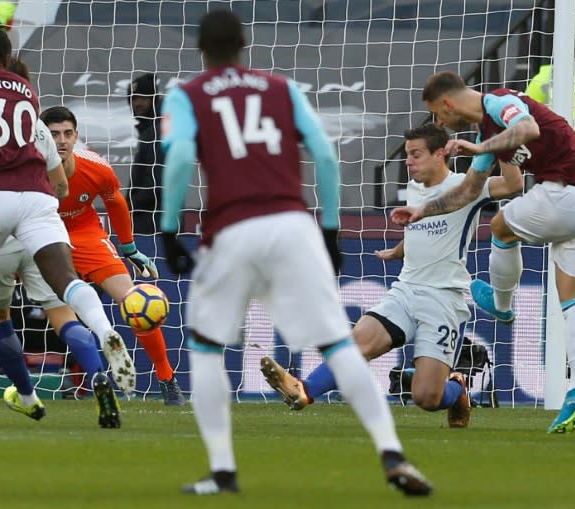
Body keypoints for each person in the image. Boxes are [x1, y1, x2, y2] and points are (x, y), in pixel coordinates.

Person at [160, 9, 431, 496]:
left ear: (200, 47)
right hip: (292, 225)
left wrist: (167, 227)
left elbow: (179, 156)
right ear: (245, 44)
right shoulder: (281, 88)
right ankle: (392, 453)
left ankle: (222, 470)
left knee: (204, 346)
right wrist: (329, 229)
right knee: (337, 344)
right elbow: (325, 154)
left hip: (232, 229)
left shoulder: (188, 95)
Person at [390, 70, 575, 434]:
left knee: (500, 226)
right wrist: (423, 210)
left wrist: (481, 148)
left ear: (447, 103)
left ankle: (501, 304)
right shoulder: (486, 134)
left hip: (569, 192)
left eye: (438, 114)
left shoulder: (500, 102)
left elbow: (527, 130)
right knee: (573, 296)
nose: (440, 123)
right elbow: (468, 191)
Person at [260, 123, 523, 428]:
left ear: (440, 154)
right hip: (406, 289)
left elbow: (513, 184)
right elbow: (425, 229)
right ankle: (304, 389)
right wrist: (400, 249)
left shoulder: (468, 186)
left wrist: (502, 142)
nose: (408, 161)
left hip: (443, 299)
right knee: (358, 342)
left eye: (415, 154)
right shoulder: (415, 186)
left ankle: (457, 389)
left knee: (427, 397)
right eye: (408, 154)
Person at [0, 27, 137, 419]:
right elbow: (60, 183)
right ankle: (101, 344)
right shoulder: (31, 106)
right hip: (40, 209)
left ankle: (3, 393)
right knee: (65, 298)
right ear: (10, 60)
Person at [40, 105, 185, 406]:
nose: (61, 141)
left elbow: (116, 204)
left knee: (134, 301)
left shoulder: (95, 167)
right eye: (53, 134)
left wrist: (130, 248)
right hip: (38, 235)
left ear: (76, 136)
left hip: (85, 234)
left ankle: (166, 379)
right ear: (41, 136)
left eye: (68, 134)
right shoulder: (26, 169)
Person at [127, 73, 165, 235]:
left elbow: (157, 182)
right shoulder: (150, 130)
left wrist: (128, 205)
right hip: (152, 220)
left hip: (155, 223)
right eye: (133, 99)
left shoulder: (158, 131)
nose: (137, 103)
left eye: (143, 97)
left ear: (154, 99)